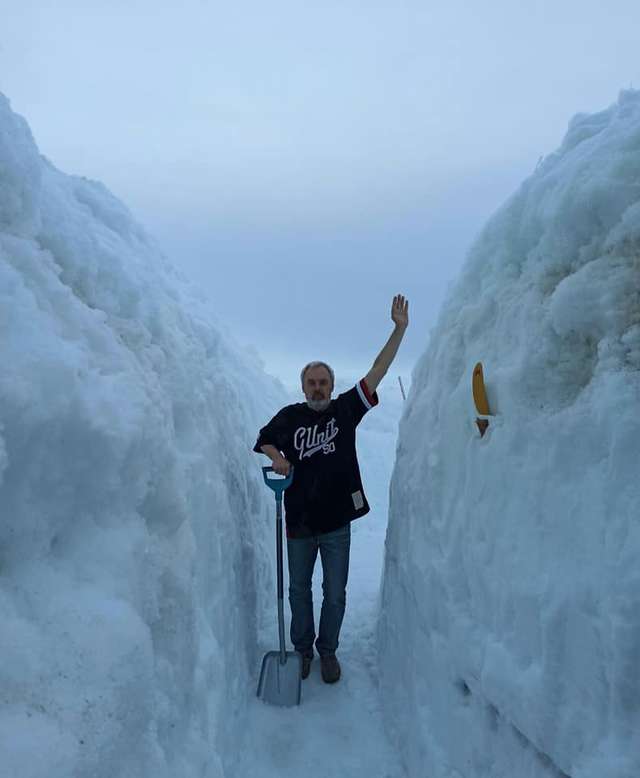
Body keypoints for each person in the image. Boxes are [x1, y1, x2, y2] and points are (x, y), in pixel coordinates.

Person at [253, 294, 409, 683]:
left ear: (332, 385)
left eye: (324, 382)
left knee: (335, 594)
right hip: (299, 523)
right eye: (312, 383)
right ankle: (302, 650)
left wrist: (399, 329)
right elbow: (263, 439)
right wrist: (277, 456)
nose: (318, 388)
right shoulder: (289, 417)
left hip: (337, 522)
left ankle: (328, 652)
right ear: (303, 385)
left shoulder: (345, 410)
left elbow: (377, 371)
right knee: (299, 591)